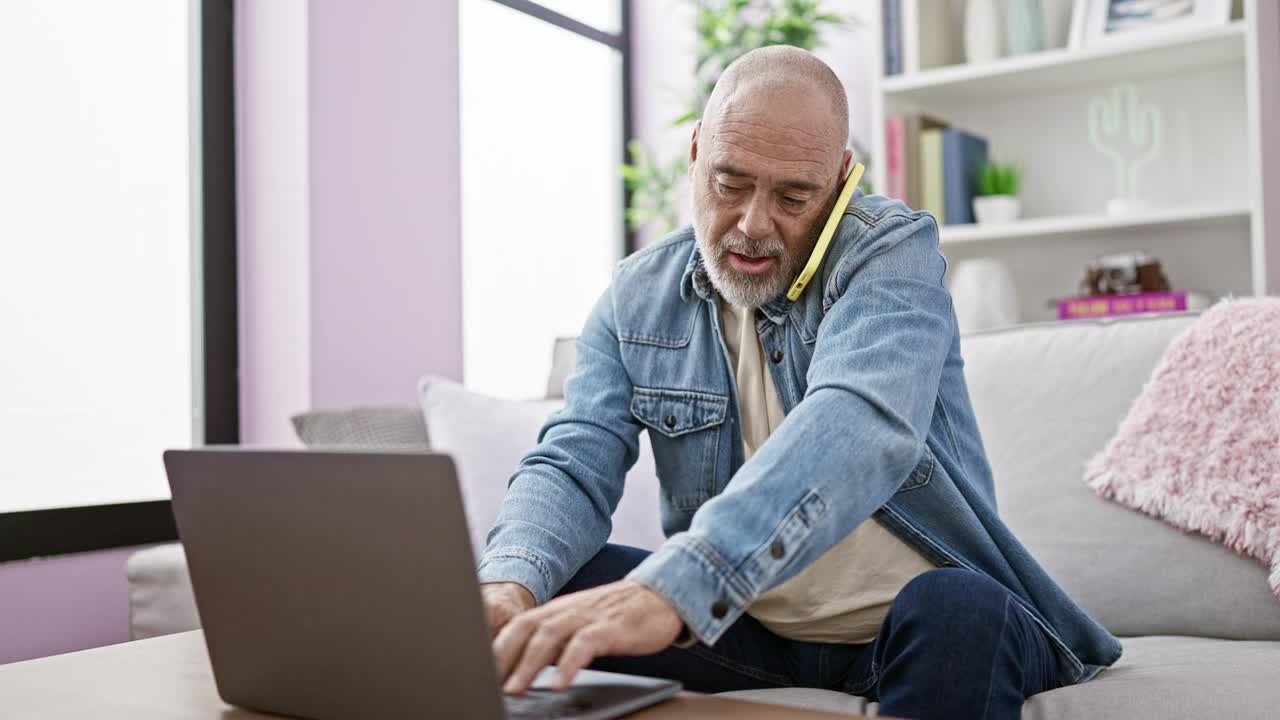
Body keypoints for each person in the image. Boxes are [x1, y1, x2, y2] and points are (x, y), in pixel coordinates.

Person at [477, 46, 1120, 720]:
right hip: (749, 632)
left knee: (961, 609)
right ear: (696, 152)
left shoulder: (890, 255)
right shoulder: (636, 299)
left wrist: (679, 586)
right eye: (730, 182)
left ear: (841, 181)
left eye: (793, 196)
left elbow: (859, 422)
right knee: (556, 594)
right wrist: (508, 584)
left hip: (913, 624)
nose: (754, 225)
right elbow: (573, 463)